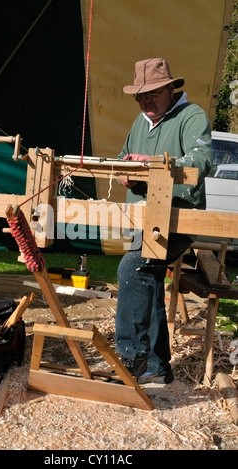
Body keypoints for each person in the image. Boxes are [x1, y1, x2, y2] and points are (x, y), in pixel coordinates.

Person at [115, 58, 212, 384]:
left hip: (178, 216)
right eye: (141, 96)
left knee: (134, 268)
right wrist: (123, 173)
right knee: (150, 278)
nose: (146, 101)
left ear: (171, 88)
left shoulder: (191, 116)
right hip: (143, 217)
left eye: (154, 93)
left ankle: (130, 362)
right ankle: (159, 367)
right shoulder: (139, 121)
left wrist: (154, 163)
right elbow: (122, 157)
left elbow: (202, 161)